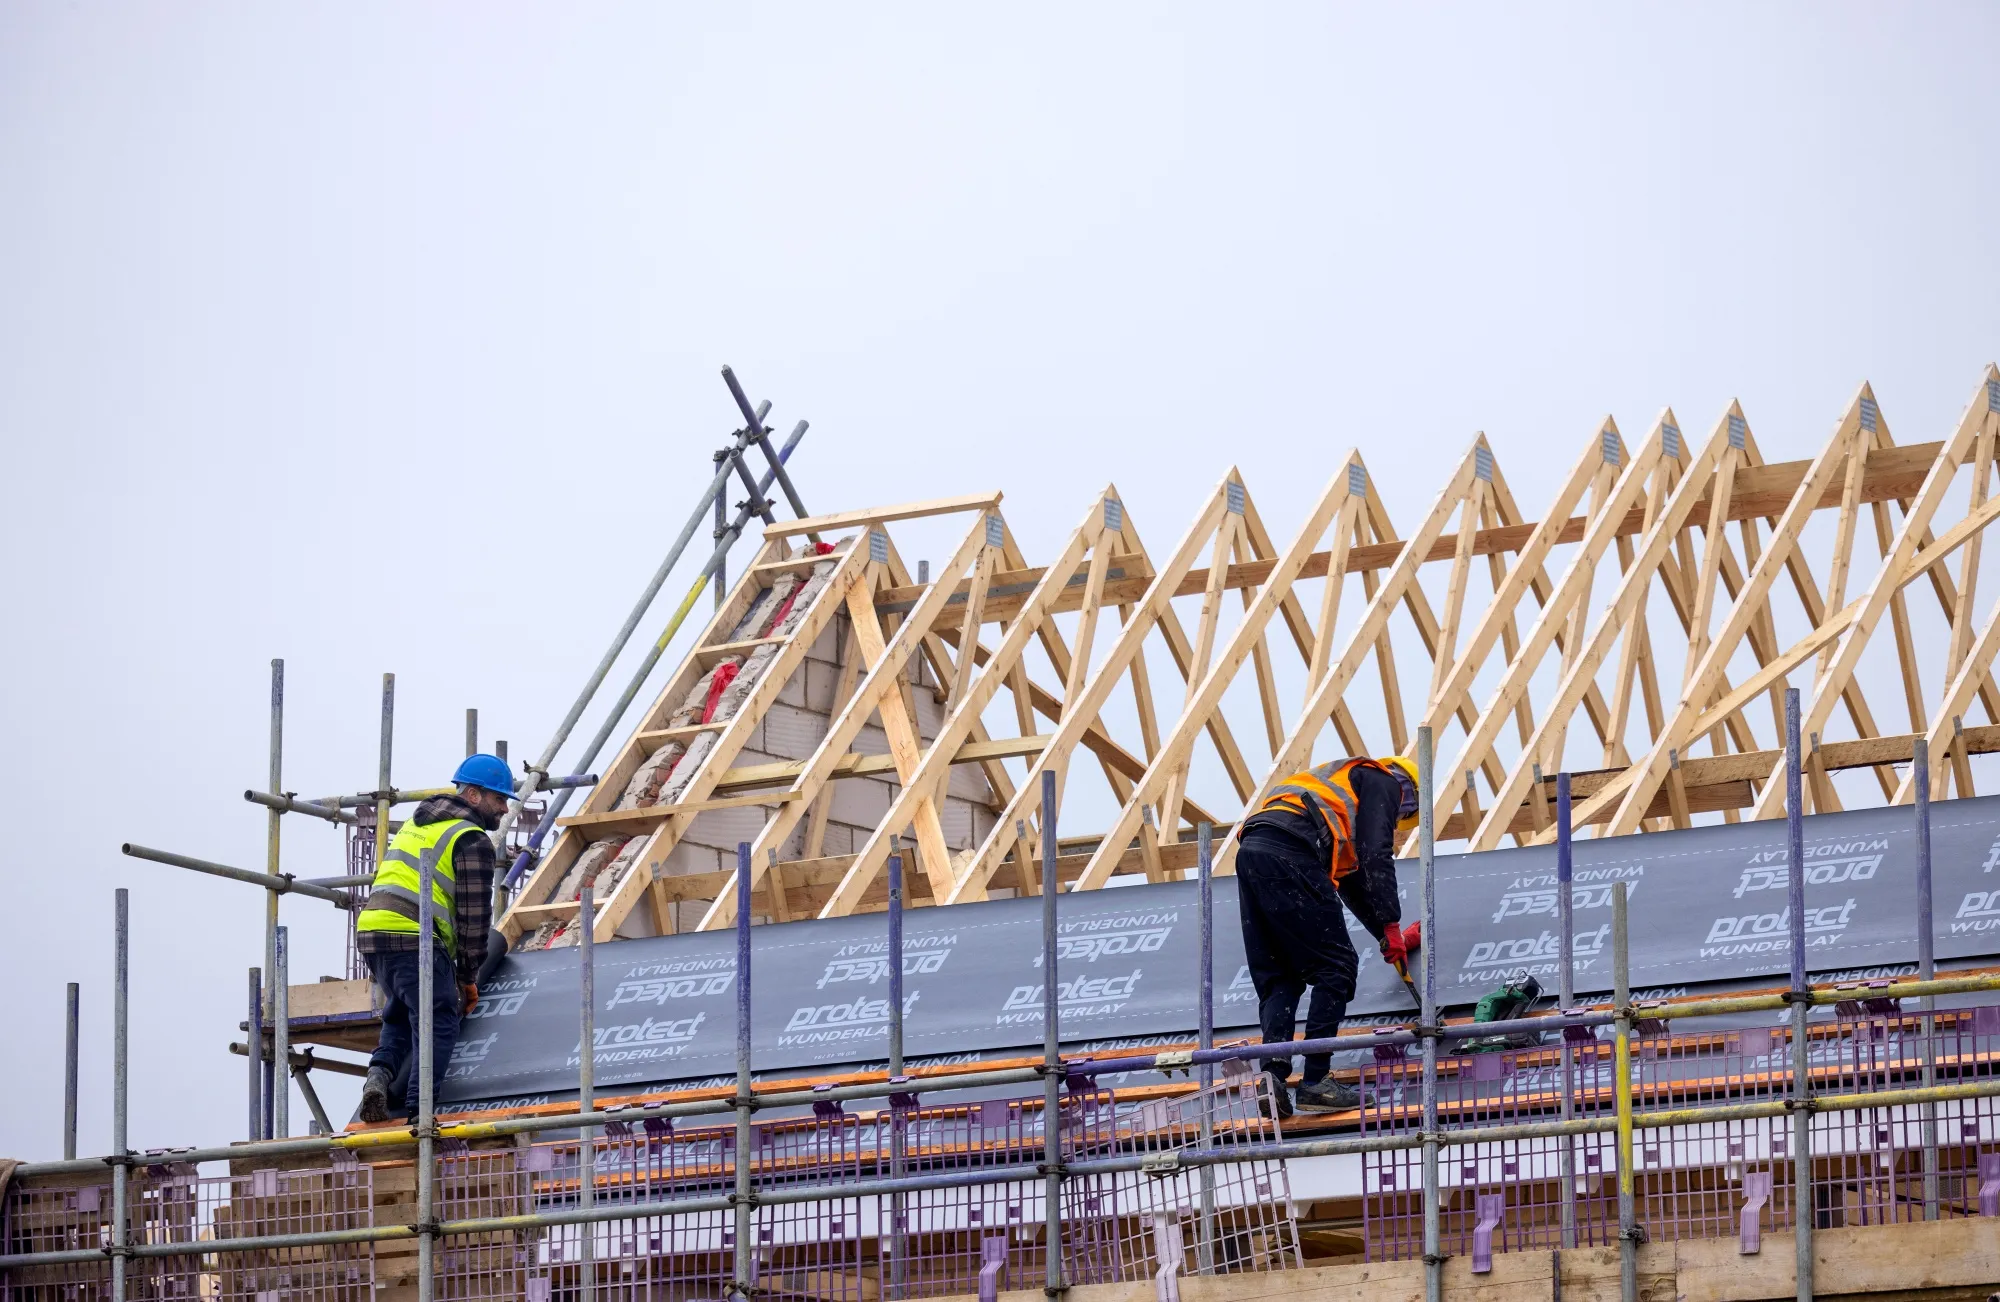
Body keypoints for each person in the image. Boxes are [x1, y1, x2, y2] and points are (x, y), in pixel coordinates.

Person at [1236, 754, 1419, 1117]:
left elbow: (1350, 885)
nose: (1396, 818)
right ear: (1407, 789)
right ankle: (1316, 1081)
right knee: (1336, 968)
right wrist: (1393, 922)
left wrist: (1386, 932)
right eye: (1402, 813)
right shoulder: (1381, 779)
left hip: (1254, 851)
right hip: (1292, 851)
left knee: (1280, 979)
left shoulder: (1337, 793)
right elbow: (1375, 854)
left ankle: (1273, 1078)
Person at [355, 754, 512, 1123]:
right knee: (440, 1017)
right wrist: (467, 977)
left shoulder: (419, 823)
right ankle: (420, 1115)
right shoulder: (470, 839)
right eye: (499, 799)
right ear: (473, 795)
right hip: (414, 936)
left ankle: (379, 1077)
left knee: (402, 1013)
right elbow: (474, 920)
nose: (504, 809)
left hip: (374, 931)